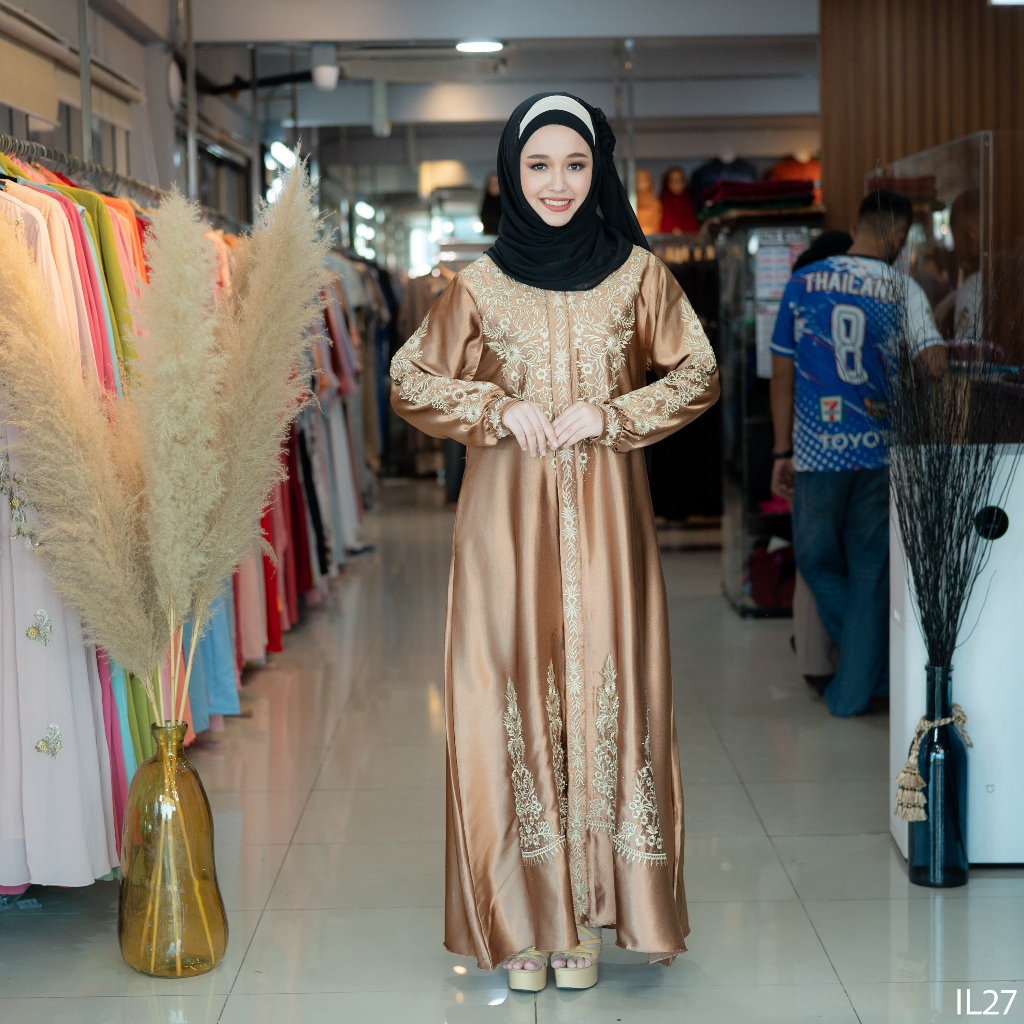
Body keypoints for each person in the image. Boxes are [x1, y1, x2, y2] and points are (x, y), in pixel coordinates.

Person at [390, 92, 719, 992]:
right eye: (539, 165)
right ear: (511, 173)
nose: (559, 183)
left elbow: (698, 370)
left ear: (599, 170)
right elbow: (408, 379)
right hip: (505, 532)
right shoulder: (478, 286)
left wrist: (615, 415)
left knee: (607, 693)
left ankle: (588, 920)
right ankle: (523, 921)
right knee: (509, 696)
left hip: (609, 529)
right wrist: (495, 407)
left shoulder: (639, 277)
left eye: (576, 164)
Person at [769, 190, 945, 717]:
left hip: (817, 452)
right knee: (870, 573)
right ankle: (873, 681)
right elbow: (934, 365)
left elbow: (781, 374)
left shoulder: (802, 283)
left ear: (855, 227)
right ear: (900, 237)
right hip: (879, 453)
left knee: (815, 562)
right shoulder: (901, 287)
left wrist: (781, 450)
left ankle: (857, 689)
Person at [659, 167, 700, 234]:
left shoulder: (689, 200)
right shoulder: (664, 201)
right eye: (674, 181)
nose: (678, 184)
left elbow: (692, 224)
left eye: (681, 180)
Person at [480, 171, 502, 236]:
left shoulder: (509, 205)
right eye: (493, 183)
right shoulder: (485, 203)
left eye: (497, 183)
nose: (495, 186)